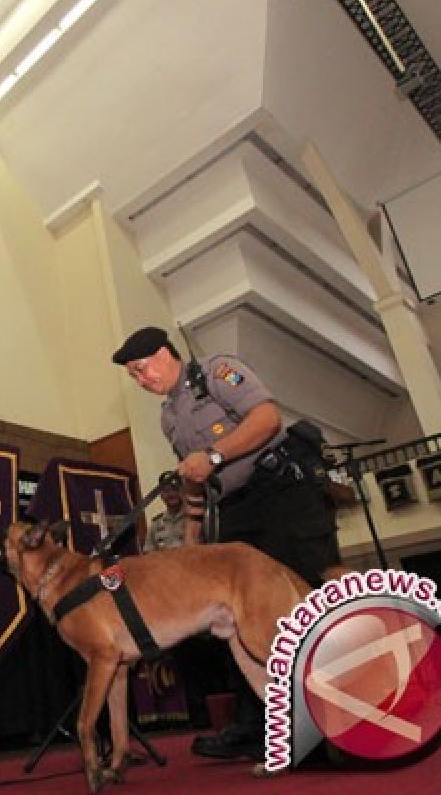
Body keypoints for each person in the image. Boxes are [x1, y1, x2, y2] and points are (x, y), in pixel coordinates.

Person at [111, 326, 341, 763]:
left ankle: (339, 714)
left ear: (163, 355)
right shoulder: (170, 417)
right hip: (233, 509)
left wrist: (214, 455)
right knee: (237, 618)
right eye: (133, 377)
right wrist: (191, 544)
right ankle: (261, 725)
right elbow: (194, 480)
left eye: (141, 370)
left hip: (281, 496)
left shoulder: (218, 373)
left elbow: (267, 418)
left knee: (306, 603)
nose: (141, 381)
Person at [141, 473, 184, 553]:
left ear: (182, 491)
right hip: (164, 565)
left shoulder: (194, 520)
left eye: (174, 489)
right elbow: (148, 554)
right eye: (166, 491)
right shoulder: (155, 524)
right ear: (161, 495)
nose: (171, 494)